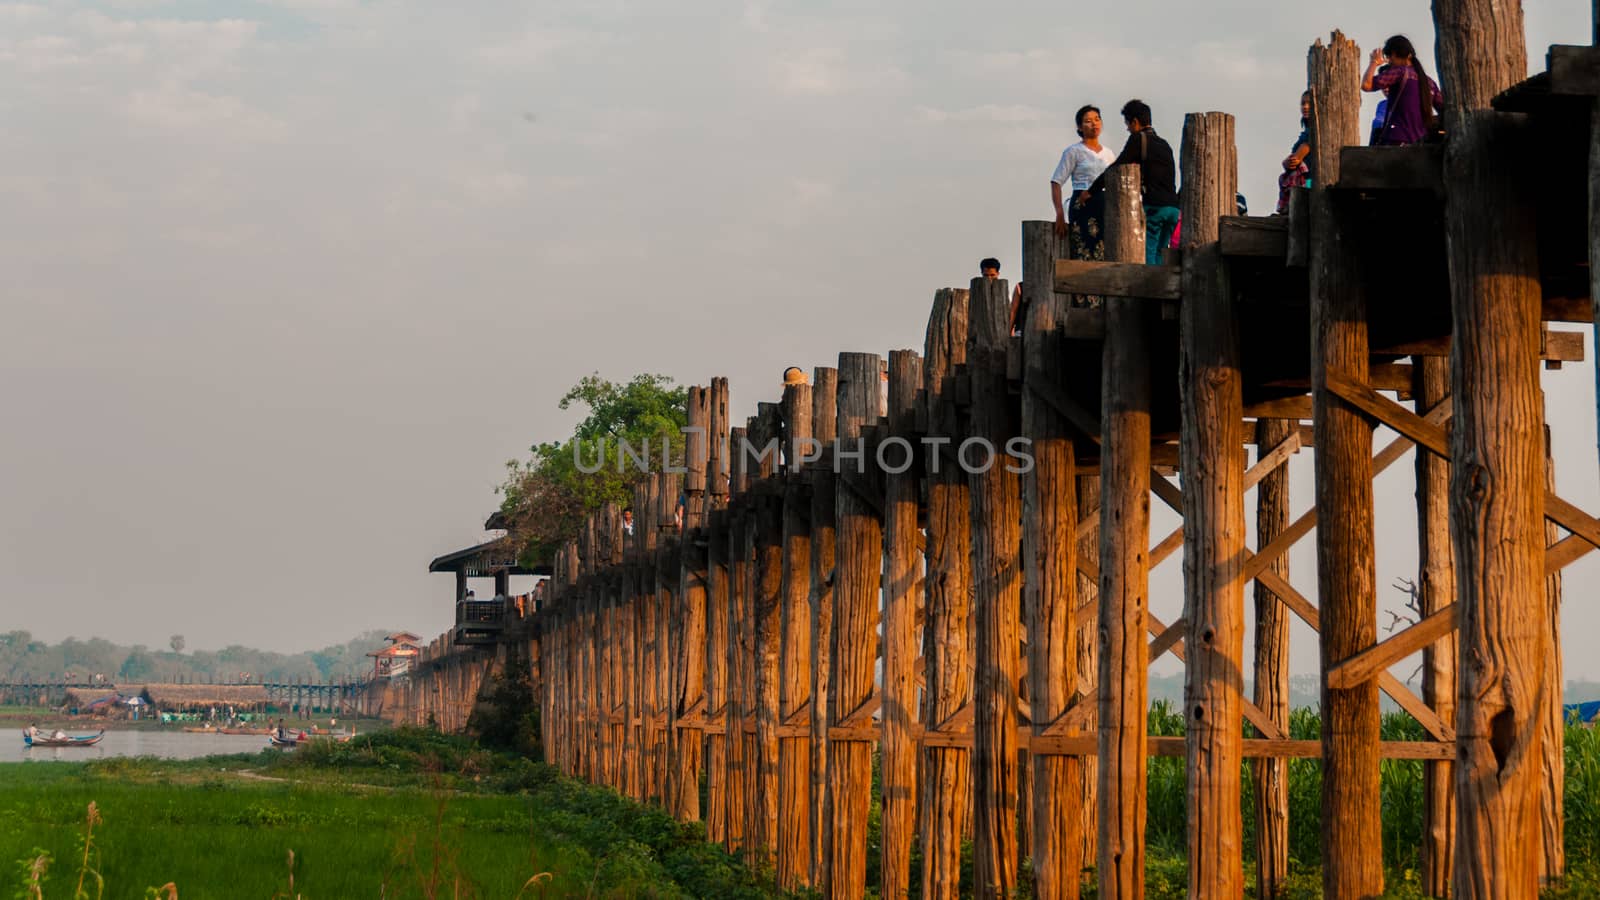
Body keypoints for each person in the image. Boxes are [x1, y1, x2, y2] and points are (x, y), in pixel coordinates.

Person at [1088, 100, 1180, 265]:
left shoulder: (1138, 139)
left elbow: (1116, 168)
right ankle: (1159, 286)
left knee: (1149, 251)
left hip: (1155, 207)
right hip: (1173, 208)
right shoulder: (1164, 144)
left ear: (1135, 122)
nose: (1127, 128)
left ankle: (1149, 288)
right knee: (1161, 251)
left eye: (1128, 124)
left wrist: (1091, 191)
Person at [1051, 104, 1119, 258]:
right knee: (1083, 248)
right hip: (1082, 203)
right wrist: (1059, 213)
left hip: (1104, 203)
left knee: (1105, 249)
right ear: (1080, 127)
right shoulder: (1074, 151)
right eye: (1088, 121)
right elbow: (1056, 182)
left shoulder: (1108, 154)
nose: (1094, 124)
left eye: (1097, 119)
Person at [1362, 35, 1443, 146]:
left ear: (1395, 53)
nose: (1389, 61)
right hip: (1420, 144)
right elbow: (1443, 110)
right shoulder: (1430, 83)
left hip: (1396, 141)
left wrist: (1374, 62)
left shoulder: (1400, 72)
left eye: (1389, 56)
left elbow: (1366, 85)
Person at [1276, 91, 1314, 214]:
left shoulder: (1313, 132)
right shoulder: (1306, 132)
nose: (1305, 107)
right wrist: (1285, 162)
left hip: (1310, 180)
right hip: (1306, 179)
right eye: (1303, 103)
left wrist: (1289, 161)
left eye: (1310, 103)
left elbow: (1300, 154)